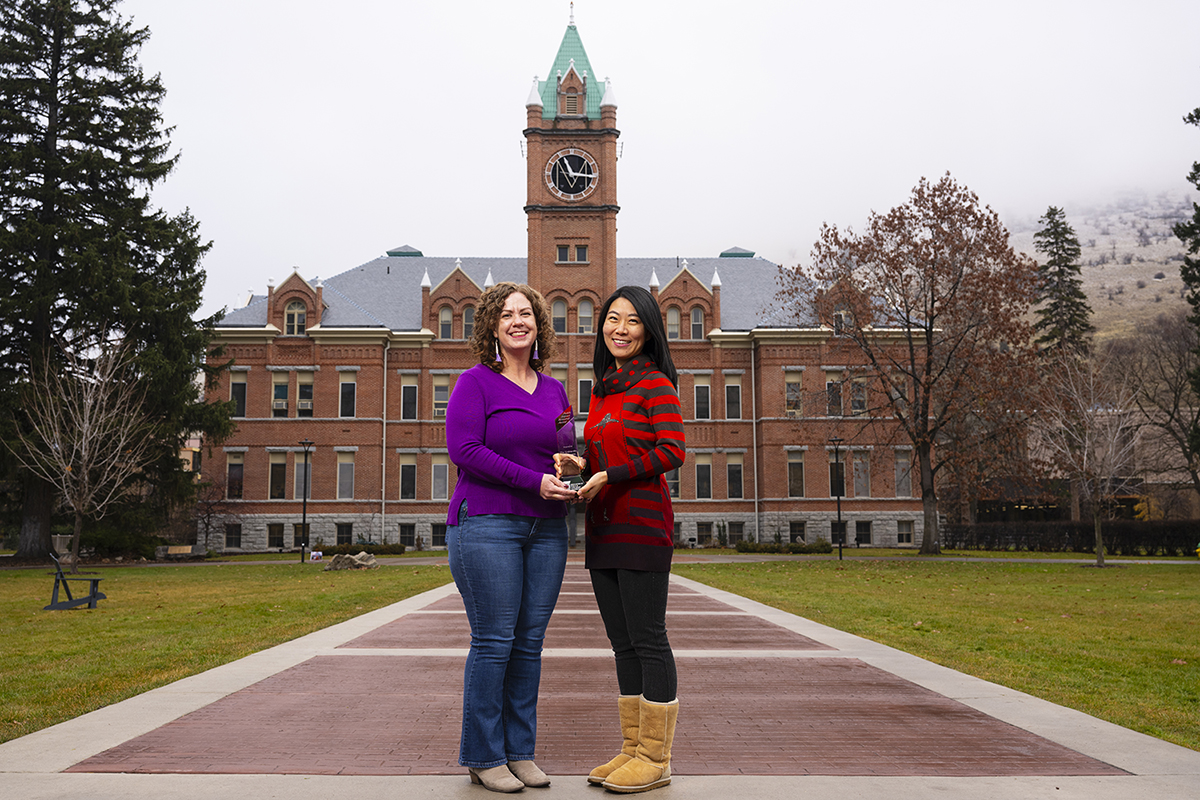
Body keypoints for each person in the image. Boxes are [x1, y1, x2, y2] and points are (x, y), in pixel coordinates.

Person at [446, 281, 578, 793]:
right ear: (492, 327)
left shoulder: (555, 390)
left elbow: (563, 447)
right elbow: (465, 451)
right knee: (495, 640)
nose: (517, 321)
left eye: (526, 313)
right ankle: (483, 755)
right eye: (506, 315)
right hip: (486, 524)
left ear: (539, 324)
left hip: (546, 529)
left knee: (529, 644)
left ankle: (519, 751)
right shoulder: (474, 383)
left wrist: (573, 476)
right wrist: (534, 481)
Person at [558, 285, 685, 793]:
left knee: (649, 639)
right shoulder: (604, 389)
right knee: (621, 644)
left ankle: (656, 757)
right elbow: (607, 454)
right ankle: (632, 749)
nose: (620, 329)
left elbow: (672, 450)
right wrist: (583, 464)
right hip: (604, 527)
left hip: (643, 526)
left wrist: (611, 476)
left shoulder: (656, 384)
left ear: (648, 329)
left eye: (633, 321)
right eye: (613, 319)